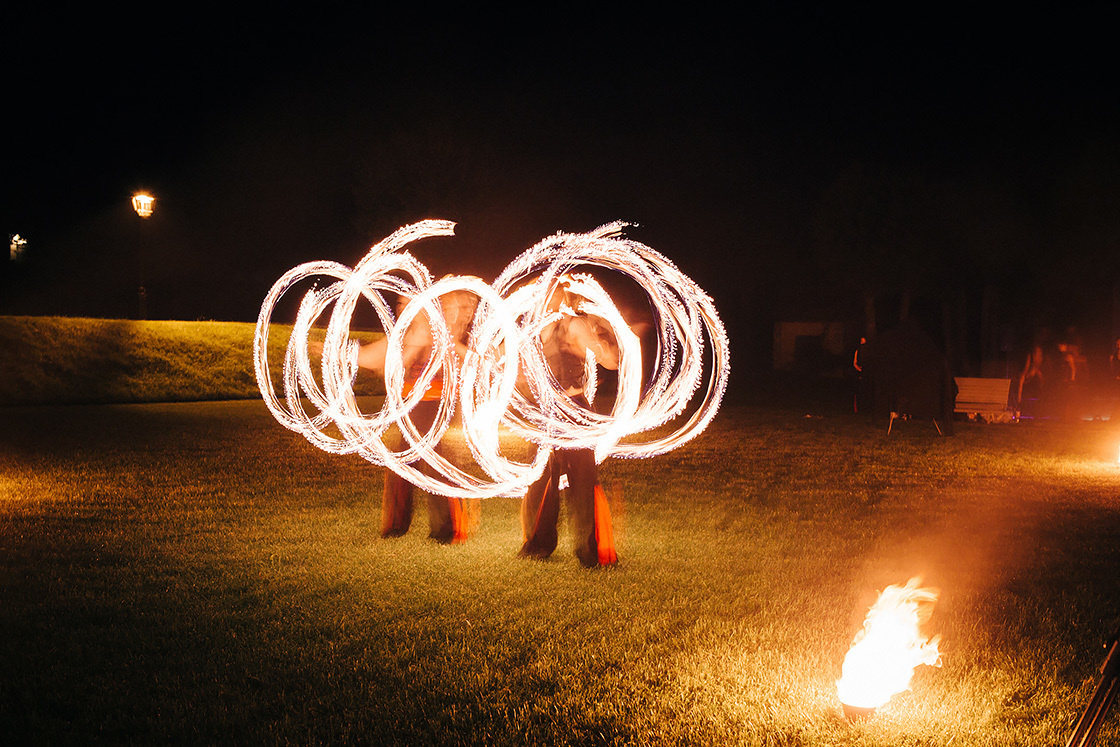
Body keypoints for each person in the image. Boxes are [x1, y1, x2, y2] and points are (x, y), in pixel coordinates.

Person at [354, 289, 479, 543]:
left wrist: (392, 366)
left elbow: (398, 362)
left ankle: (448, 529)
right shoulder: (412, 330)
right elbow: (375, 356)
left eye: (407, 303)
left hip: (431, 403)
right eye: (399, 303)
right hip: (412, 403)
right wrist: (343, 353)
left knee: (432, 464)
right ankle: (399, 526)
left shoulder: (426, 330)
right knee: (404, 463)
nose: (401, 307)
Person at [519, 280, 623, 568]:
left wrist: (606, 340)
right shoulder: (535, 328)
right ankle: (537, 544)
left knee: (582, 481)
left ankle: (591, 550)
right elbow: (506, 358)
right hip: (545, 414)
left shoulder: (574, 325)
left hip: (573, 412)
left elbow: (610, 361)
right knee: (540, 480)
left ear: (562, 294)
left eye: (550, 290)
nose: (543, 295)